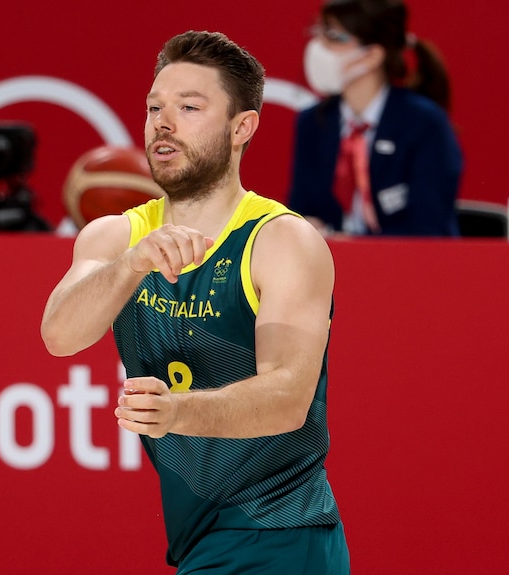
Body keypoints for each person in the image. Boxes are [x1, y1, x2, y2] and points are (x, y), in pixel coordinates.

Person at [41, 30, 349, 574]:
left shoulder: (281, 241)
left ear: (242, 127)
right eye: (154, 107)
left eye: (189, 107)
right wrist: (132, 264)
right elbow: (60, 335)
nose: (163, 121)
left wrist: (176, 412)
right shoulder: (115, 237)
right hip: (200, 540)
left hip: (281, 531)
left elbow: (287, 399)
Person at [288, 0, 463, 236]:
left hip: (407, 266)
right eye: (319, 33)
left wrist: (356, 245)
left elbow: (429, 227)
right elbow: (302, 208)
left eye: (335, 38)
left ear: (372, 55)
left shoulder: (424, 123)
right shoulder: (314, 122)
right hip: (331, 265)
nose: (319, 47)